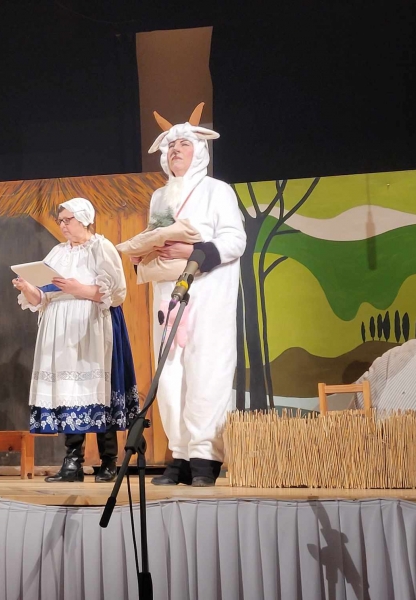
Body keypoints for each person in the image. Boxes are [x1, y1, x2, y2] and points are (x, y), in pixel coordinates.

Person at [138, 104, 246, 487]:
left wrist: (193, 252)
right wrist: (144, 250)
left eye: (183, 144)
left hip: (207, 297)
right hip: (169, 298)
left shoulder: (218, 191)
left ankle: (204, 458)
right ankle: (180, 454)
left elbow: (234, 239)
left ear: (199, 150)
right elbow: (157, 236)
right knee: (169, 379)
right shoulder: (159, 197)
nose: (175, 150)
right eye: (170, 146)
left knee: (206, 373)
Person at [13, 197, 139, 483]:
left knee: (97, 389)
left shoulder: (101, 248)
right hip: (61, 331)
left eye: (67, 220)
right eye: (60, 221)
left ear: (84, 219)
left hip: (92, 327)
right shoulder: (57, 252)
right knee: (68, 391)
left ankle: (109, 461)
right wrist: (28, 288)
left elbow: (116, 294)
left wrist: (77, 288)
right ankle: (72, 463)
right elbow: (43, 297)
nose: (63, 225)